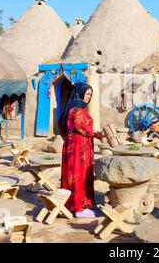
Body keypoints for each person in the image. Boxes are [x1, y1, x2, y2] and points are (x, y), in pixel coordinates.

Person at [58, 82, 105, 218]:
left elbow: (64, 127)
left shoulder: (71, 107)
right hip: (79, 145)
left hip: (73, 143)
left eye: (91, 94)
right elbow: (81, 126)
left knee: (72, 174)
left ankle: (71, 204)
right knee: (79, 173)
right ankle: (79, 208)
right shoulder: (78, 109)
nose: (89, 97)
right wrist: (96, 134)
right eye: (87, 94)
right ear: (80, 93)